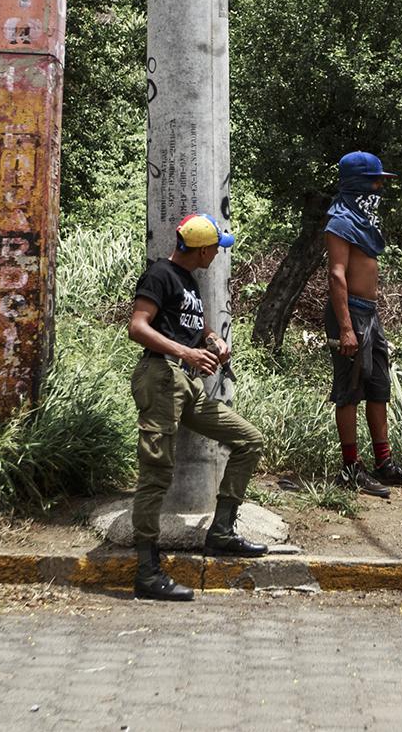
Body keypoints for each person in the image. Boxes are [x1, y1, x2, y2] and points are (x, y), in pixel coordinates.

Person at [127, 213, 269, 603]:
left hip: (186, 383)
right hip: (160, 378)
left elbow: (191, 329)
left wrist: (211, 342)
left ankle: (221, 532)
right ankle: (146, 571)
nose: (216, 255)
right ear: (203, 249)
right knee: (156, 473)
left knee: (248, 440)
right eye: (215, 249)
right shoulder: (159, 274)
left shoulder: (188, 281)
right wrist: (185, 351)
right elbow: (138, 327)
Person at [324, 151, 402, 497]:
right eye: (376, 180)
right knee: (349, 392)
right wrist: (346, 328)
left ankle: (384, 464)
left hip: (370, 312)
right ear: (358, 184)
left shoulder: (362, 221)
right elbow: (337, 276)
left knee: (379, 387)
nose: (381, 187)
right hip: (350, 314)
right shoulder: (338, 221)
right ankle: (351, 469)